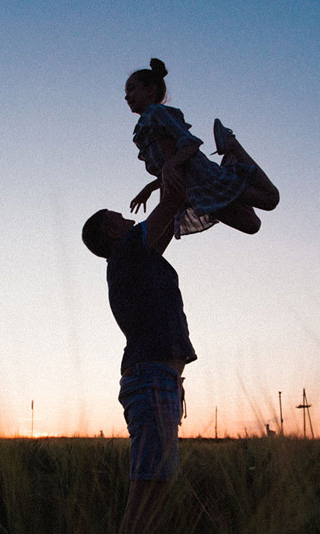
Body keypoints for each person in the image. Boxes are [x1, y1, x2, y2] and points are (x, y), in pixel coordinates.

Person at [82, 170, 195, 533]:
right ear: (112, 232)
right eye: (116, 216)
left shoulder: (136, 257)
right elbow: (174, 201)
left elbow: (174, 207)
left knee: (156, 486)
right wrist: (165, 172)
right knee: (149, 489)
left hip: (158, 379)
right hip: (151, 379)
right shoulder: (130, 249)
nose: (125, 216)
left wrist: (162, 182)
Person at [126, 58, 280, 237]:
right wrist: (149, 188)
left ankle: (232, 145)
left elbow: (190, 143)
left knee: (271, 199)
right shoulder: (142, 130)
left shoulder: (157, 113)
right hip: (195, 192)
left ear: (150, 89)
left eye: (131, 89)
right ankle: (231, 171)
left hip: (206, 178)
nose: (127, 96)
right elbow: (170, 170)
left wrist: (170, 166)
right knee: (252, 225)